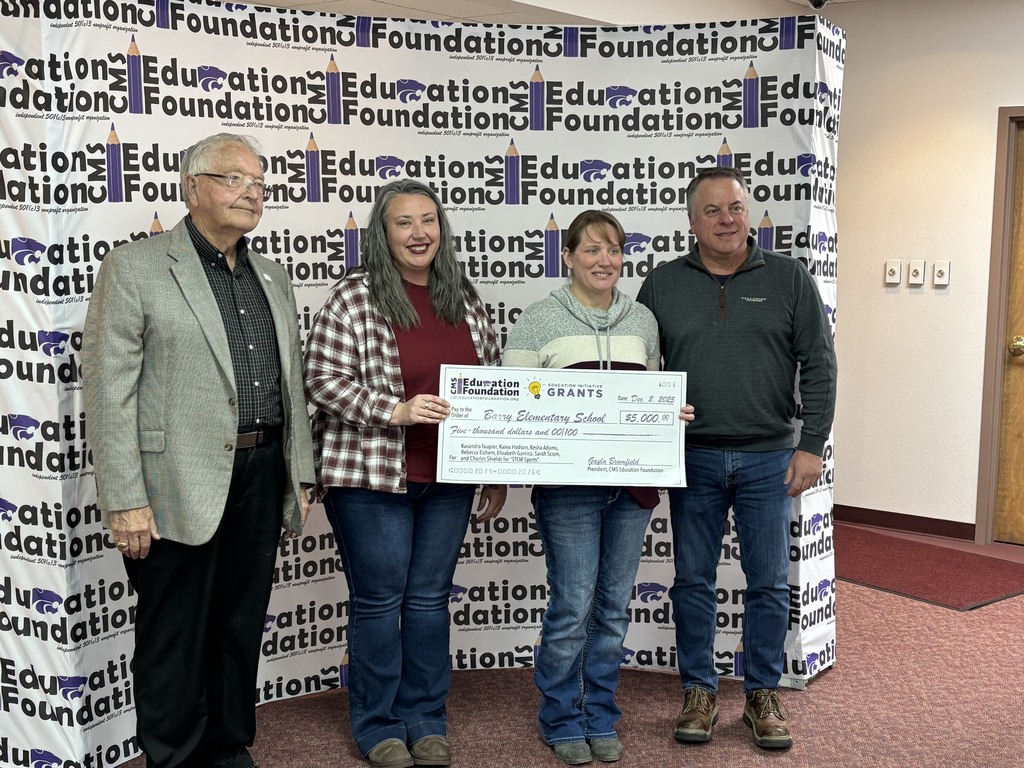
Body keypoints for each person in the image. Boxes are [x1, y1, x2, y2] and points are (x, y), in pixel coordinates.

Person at [82, 133, 316, 768]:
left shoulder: (271, 274)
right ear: (192, 186)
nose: (251, 192)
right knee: (174, 636)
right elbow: (109, 395)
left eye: (260, 183)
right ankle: (175, 757)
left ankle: (228, 747)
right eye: (234, 179)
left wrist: (298, 474)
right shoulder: (136, 267)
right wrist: (125, 500)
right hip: (173, 483)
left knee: (240, 627)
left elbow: (289, 379)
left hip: (261, 472)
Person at [303, 179, 506, 768]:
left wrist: (493, 468)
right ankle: (378, 725)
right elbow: (320, 378)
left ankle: (426, 717)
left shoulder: (463, 299)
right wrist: (395, 410)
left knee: (427, 602)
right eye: (403, 223)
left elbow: (491, 387)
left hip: (448, 475)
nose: (419, 233)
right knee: (378, 601)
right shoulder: (354, 297)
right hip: (371, 476)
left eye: (428, 220)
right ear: (382, 233)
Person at [636, 167, 837, 751]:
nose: (728, 219)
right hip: (691, 460)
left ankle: (761, 695)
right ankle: (698, 690)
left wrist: (811, 446)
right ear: (692, 221)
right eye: (714, 210)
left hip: (769, 459)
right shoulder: (663, 284)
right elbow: (642, 370)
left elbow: (820, 366)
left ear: (749, 213)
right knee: (692, 580)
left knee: (770, 583)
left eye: (738, 208)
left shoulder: (789, 278)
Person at [502, 211, 694, 766]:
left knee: (612, 608)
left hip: (630, 489)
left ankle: (600, 714)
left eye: (612, 249)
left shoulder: (643, 322)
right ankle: (562, 717)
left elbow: (654, 390)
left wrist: (666, 414)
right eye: (590, 250)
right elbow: (515, 405)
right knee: (571, 607)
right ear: (567, 256)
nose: (603, 260)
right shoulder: (538, 321)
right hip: (567, 490)